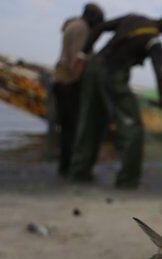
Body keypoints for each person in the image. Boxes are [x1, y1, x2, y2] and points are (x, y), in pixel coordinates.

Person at [69, 9, 162, 188]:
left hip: (93, 68)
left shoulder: (135, 18)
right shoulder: (154, 42)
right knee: (132, 129)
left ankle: (79, 173)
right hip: (113, 75)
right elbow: (160, 77)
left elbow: (100, 27)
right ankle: (127, 181)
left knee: (90, 122)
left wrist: (83, 55)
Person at [52, 3, 104, 176]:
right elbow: (78, 60)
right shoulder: (82, 29)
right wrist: (82, 82)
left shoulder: (72, 25)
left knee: (66, 128)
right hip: (69, 83)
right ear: (93, 18)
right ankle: (72, 169)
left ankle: (64, 166)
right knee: (75, 129)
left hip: (60, 80)